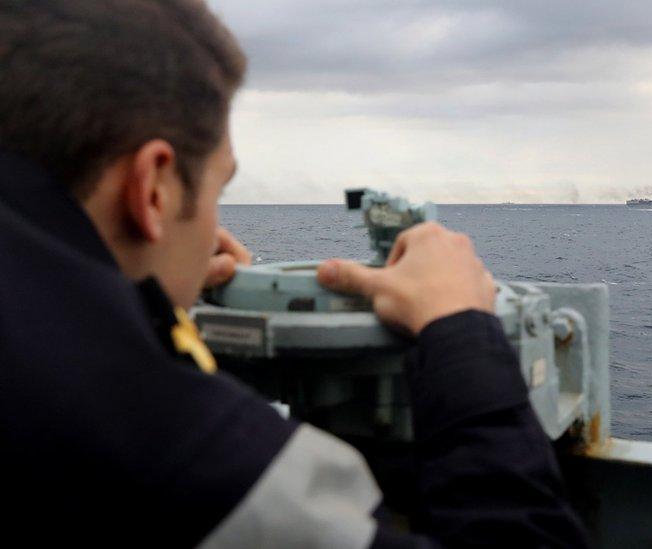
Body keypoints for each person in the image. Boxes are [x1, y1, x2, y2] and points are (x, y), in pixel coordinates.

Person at [0, 1, 588, 547]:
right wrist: (462, 333)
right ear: (153, 187)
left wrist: (144, 307)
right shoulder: (188, 458)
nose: (213, 230)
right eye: (217, 188)